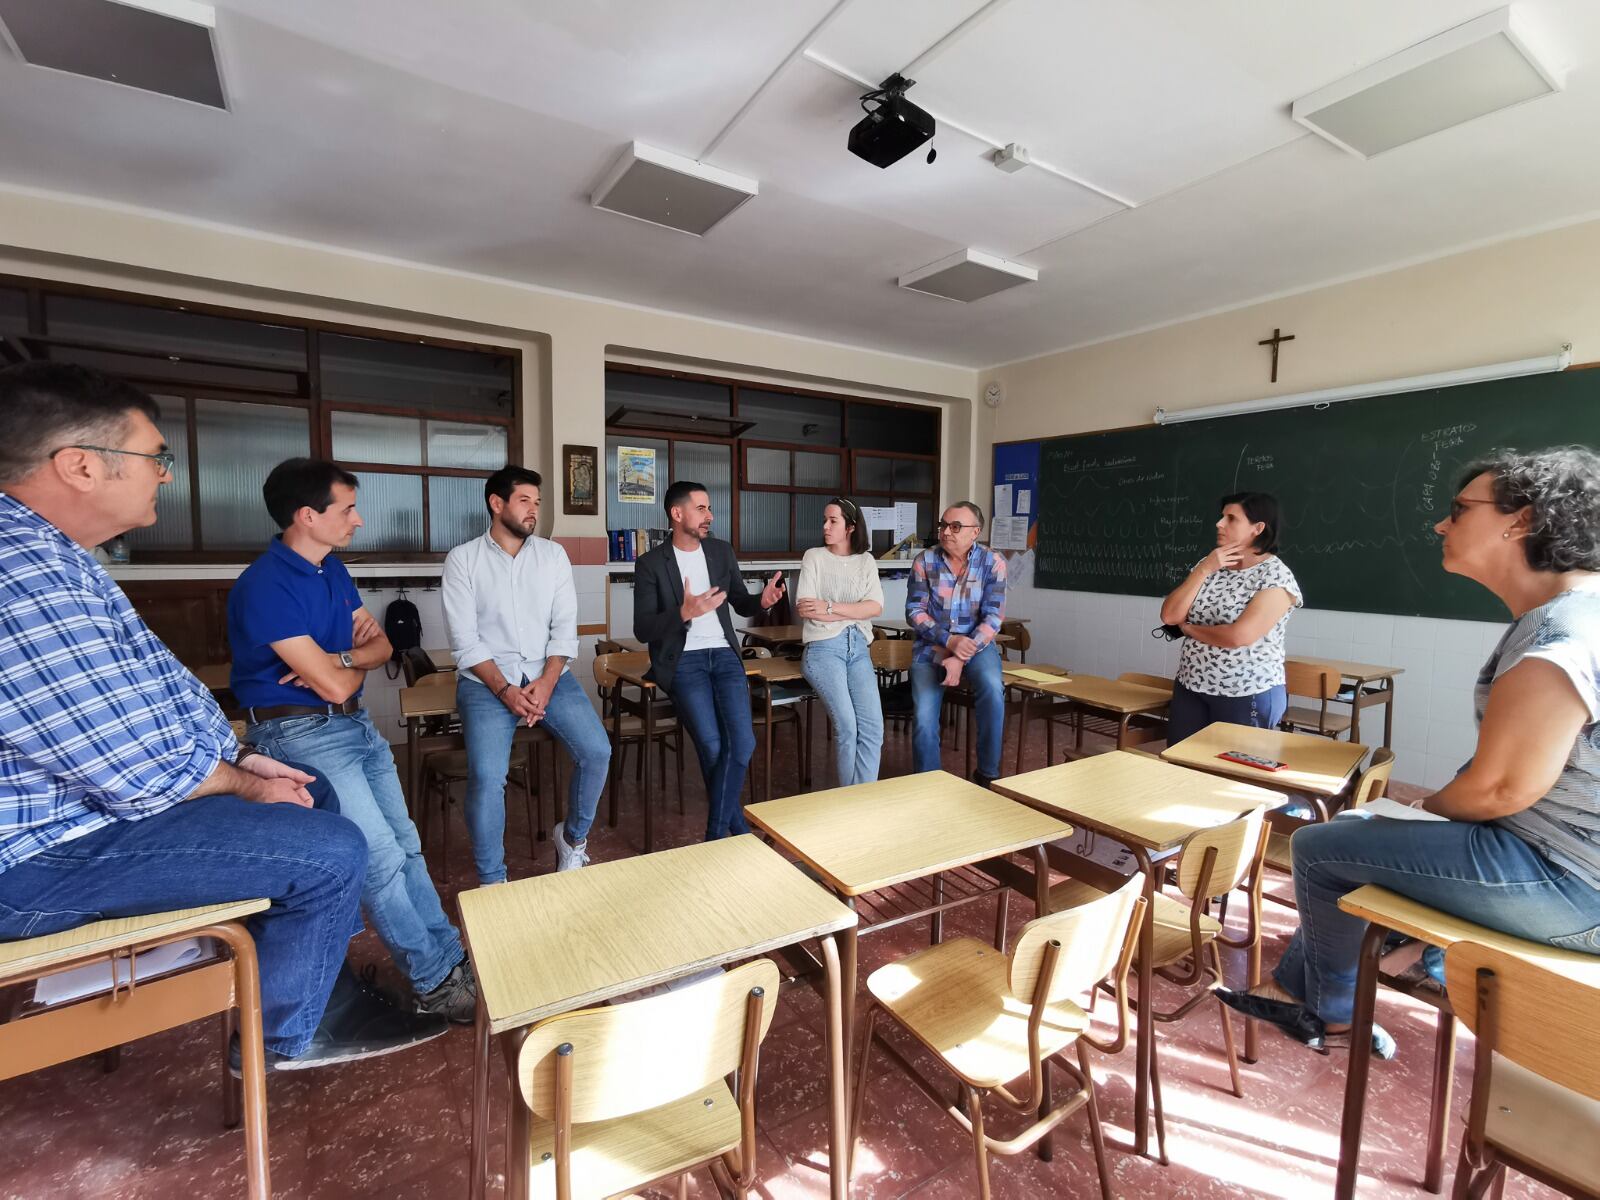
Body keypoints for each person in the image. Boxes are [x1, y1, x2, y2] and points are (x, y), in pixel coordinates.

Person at [0, 363, 444, 1070]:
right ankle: (289, 1033)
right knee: (340, 851)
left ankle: (320, 987)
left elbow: (177, 694)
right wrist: (241, 779)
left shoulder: (69, 559)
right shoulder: (18, 569)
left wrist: (239, 759)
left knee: (330, 808)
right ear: (81, 465)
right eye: (156, 458)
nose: (166, 476)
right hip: (42, 852)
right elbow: (128, 762)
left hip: (127, 800)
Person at [1220, 447, 1600, 1055]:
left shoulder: (1560, 632)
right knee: (1367, 835)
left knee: (1319, 845)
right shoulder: (1575, 611)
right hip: (1565, 865)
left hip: (1569, 883)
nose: (1441, 525)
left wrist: (1419, 813)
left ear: (1520, 520)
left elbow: (1502, 788)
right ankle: (1300, 988)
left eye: (1459, 509)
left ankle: (1333, 1011)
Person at [229, 458, 477, 1024]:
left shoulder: (330, 571)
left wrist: (340, 658)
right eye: (347, 509)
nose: (358, 520)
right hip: (298, 731)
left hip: (354, 724)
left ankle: (450, 958)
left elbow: (382, 650)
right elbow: (342, 677)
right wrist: (347, 664)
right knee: (381, 859)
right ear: (307, 515)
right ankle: (435, 980)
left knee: (407, 845)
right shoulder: (264, 586)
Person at [442, 466, 612, 879]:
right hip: (486, 685)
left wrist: (548, 682)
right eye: (525, 501)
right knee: (487, 777)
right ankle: (492, 880)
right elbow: (465, 642)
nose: (534, 510)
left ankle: (572, 841)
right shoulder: (463, 560)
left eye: (537, 503)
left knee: (597, 751)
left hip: (548, 674)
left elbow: (564, 629)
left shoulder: (552, 556)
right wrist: (505, 691)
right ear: (496, 504)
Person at [633, 481, 785, 839]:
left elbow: (739, 601)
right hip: (684, 660)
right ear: (677, 513)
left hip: (724, 654)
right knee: (713, 746)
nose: (709, 516)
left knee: (743, 743)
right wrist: (683, 612)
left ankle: (717, 834)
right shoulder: (651, 564)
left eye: (709, 508)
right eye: (701, 509)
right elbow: (643, 629)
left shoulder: (719, 551)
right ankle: (734, 832)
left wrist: (760, 602)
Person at [1159, 492, 1301, 746]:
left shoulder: (1276, 576)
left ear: (1257, 528)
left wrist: (1189, 629)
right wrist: (1204, 569)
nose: (1219, 523)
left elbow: (1239, 636)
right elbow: (1170, 615)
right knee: (1179, 763)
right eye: (1222, 516)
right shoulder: (1210, 564)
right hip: (1192, 684)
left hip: (1246, 691)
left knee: (1232, 774)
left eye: (1231, 518)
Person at [907, 501, 1008, 788]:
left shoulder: (993, 562)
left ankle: (988, 774)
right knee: (924, 717)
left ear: (974, 531)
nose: (946, 532)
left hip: (978, 647)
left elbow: (993, 617)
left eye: (955, 527)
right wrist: (949, 641)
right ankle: (930, 784)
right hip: (931, 646)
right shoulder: (924, 561)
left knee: (992, 689)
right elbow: (914, 612)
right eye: (943, 525)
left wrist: (961, 655)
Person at [796, 497, 885, 787]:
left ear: (850, 527)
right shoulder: (814, 557)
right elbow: (807, 608)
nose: (825, 526)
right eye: (825, 519)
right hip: (823, 649)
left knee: (872, 728)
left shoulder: (866, 560)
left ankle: (863, 799)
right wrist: (852, 610)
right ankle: (848, 802)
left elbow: (875, 607)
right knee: (847, 727)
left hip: (858, 648)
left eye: (833, 520)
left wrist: (831, 607)